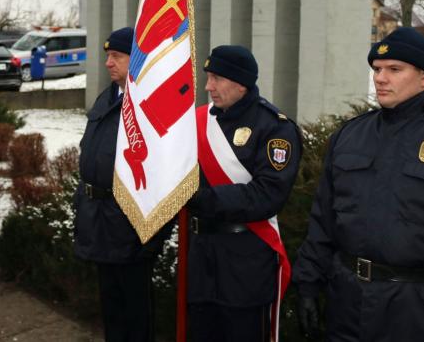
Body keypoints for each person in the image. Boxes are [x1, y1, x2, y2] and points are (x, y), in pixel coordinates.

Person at [292, 27, 424, 341]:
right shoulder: (350, 136)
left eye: (394, 69)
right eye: (377, 69)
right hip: (348, 306)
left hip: (423, 313)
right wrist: (308, 284)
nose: (380, 78)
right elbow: (323, 220)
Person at [185, 45, 301, 342]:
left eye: (216, 79)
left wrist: (202, 199)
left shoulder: (275, 127)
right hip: (201, 256)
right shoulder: (198, 122)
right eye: (208, 77)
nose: (208, 86)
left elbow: (267, 195)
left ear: (241, 83)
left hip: (245, 261)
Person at [74, 27, 170, 342]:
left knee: (135, 312)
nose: (108, 63)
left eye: (116, 56)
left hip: (130, 226)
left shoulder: (149, 104)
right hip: (99, 220)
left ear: (136, 59)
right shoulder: (109, 96)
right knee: (111, 308)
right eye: (107, 56)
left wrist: (152, 233)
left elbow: (163, 174)